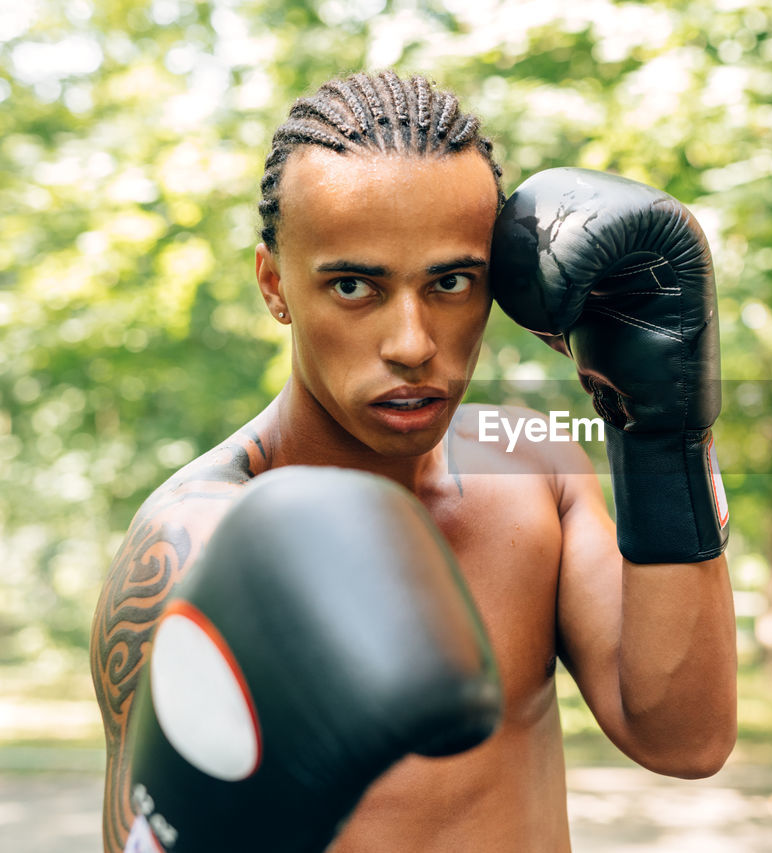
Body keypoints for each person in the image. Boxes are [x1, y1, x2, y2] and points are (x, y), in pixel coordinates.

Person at [90, 69, 737, 852]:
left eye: (452, 281)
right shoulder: (202, 542)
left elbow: (684, 737)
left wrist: (661, 433)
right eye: (355, 285)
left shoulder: (530, 466)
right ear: (275, 285)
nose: (411, 344)